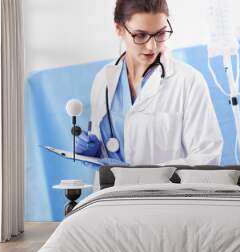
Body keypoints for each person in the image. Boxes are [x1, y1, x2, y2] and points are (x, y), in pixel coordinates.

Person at [76, 0, 223, 167]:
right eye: (140, 35)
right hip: (111, 192)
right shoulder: (103, 79)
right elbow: (106, 148)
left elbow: (207, 157)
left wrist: (145, 175)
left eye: (160, 34)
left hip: (164, 193)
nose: (152, 46)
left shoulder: (188, 81)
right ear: (119, 29)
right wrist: (92, 154)